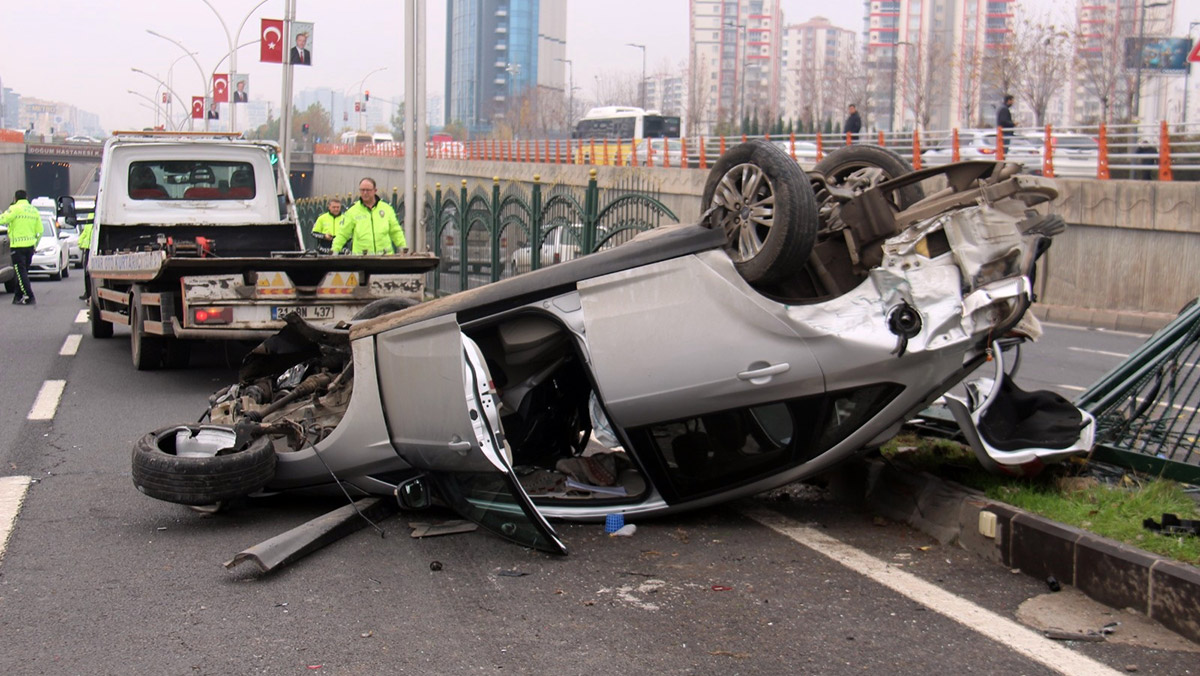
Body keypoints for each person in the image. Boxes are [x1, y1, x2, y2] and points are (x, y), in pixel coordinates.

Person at [333, 178, 406, 255]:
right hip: (361, 258)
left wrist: (403, 248)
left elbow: (395, 231)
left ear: (375, 190)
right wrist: (334, 251)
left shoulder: (386, 209)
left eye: (368, 190)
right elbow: (343, 234)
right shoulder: (352, 211)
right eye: (362, 190)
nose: (365, 193)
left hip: (385, 257)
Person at [0, 190, 41, 305]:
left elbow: (3, 219)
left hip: (17, 247)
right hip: (30, 247)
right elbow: (40, 231)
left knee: (20, 272)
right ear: (27, 198)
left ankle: (30, 296)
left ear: (15, 198)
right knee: (22, 273)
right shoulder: (34, 210)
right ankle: (17, 296)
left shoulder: (14, 208)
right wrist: (35, 244)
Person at [77, 215, 93, 301]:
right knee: (86, 272)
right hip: (88, 248)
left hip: (95, 248)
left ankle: (91, 293)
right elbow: (86, 232)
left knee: (91, 272)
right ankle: (88, 293)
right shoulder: (90, 215)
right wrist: (80, 242)